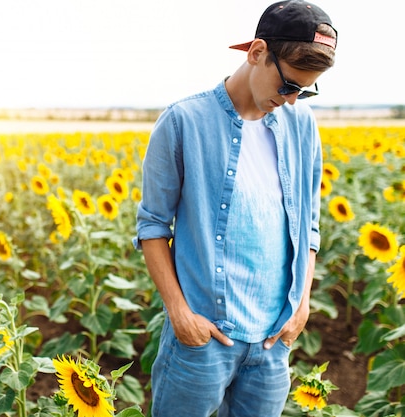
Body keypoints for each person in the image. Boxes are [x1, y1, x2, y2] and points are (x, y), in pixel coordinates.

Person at [133, 1, 337, 416]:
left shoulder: (302, 126)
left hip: (273, 342)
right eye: (288, 86)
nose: (293, 100)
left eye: (305, 90)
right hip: (204, 338)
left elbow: (307, 226)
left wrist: (302, 305)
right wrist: (179, 313)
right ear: (257, 52)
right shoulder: (182, 122)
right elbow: (153, 226)